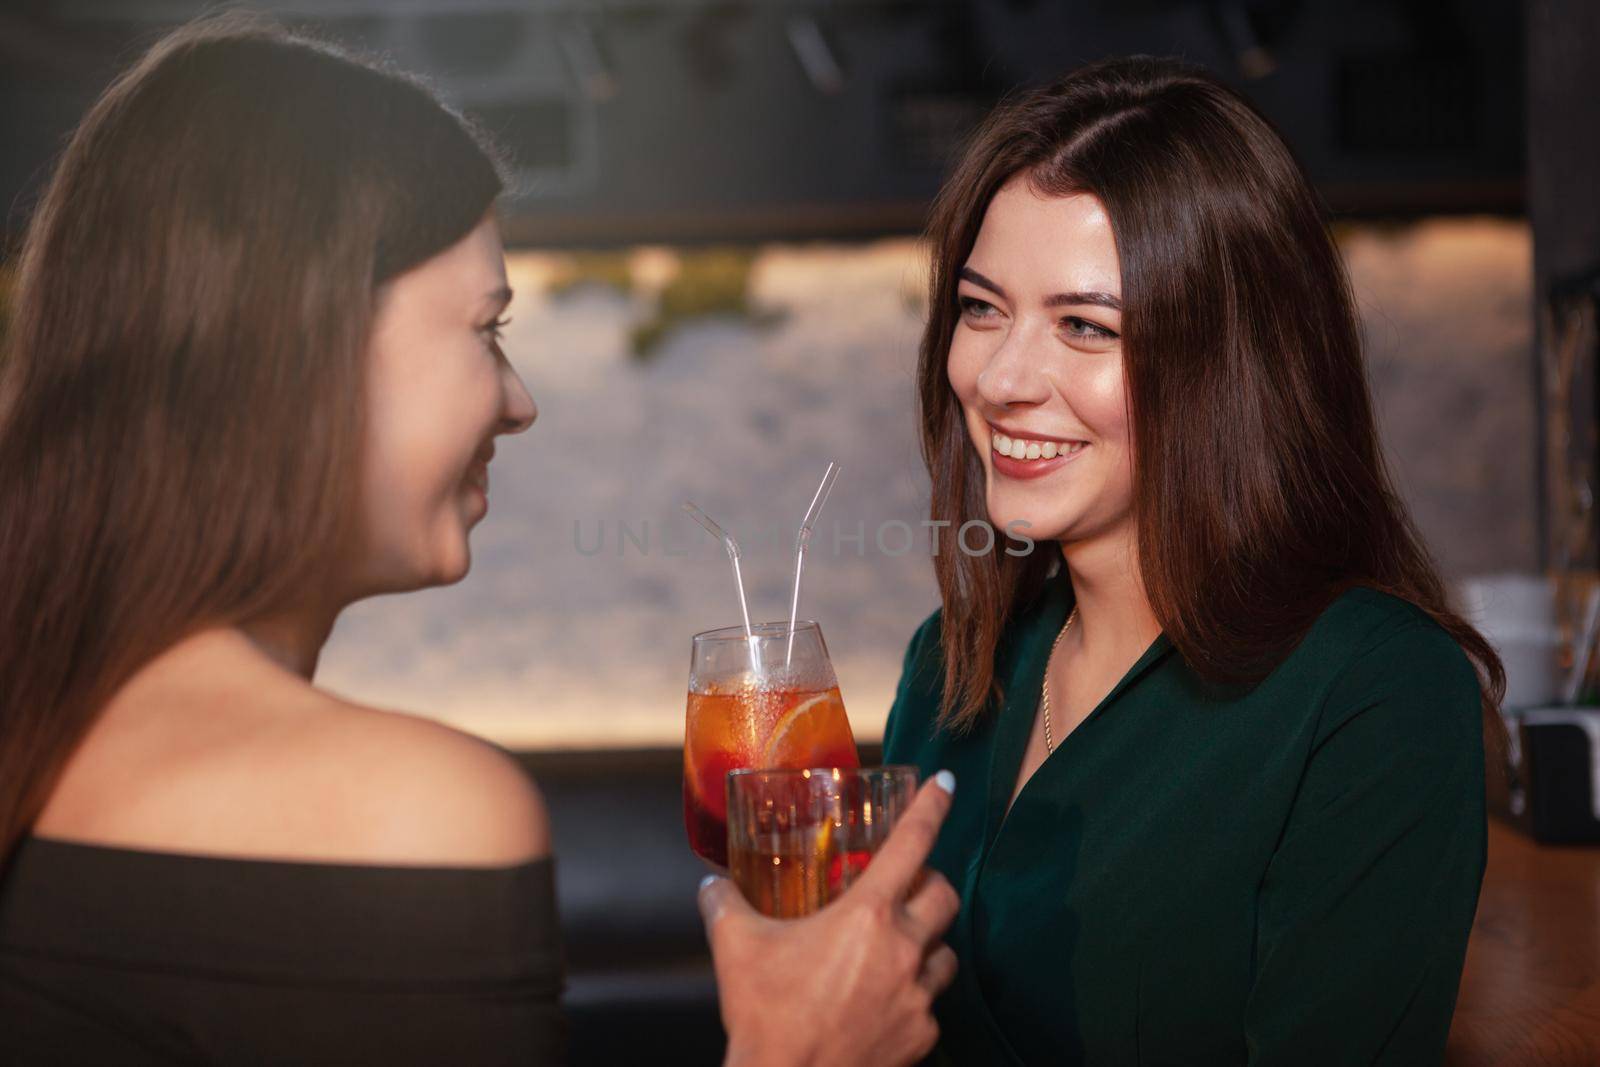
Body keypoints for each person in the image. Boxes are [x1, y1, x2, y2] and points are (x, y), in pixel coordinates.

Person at [0, 14, 956, 1065]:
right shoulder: (414, 813)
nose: (518, 401)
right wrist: (802, 1049)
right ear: (309, 346)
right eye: (486, 329)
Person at [882, 55, 1507, 1065]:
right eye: (980, 307)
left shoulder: (1374, 694)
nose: (998, 377)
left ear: (1230, 360)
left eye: (1084, 326)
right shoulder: (947, 665)